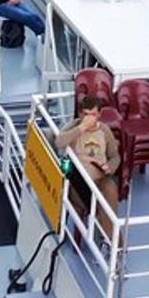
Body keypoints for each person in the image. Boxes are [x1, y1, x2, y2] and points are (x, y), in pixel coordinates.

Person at [55, 96, 120, 242]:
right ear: (80, 114)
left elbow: (115, 157)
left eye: (93, 115)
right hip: (80, 181)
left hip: (101, 177)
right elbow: (59, 142)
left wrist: (109, 167)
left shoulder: (104, 130)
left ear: (99, 115)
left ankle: (114, 243)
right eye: (86, 114)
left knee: (110, 194)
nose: (89, 118)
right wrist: (82, 128)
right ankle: (107, 237)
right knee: (97, 202)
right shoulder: (74, 127)